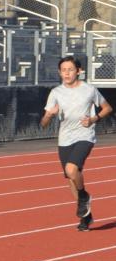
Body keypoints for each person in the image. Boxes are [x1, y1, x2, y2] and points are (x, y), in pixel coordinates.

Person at [41, 55, 112, 231]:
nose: (66, 73)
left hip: (85, 135)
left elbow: (108, 108)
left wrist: (94, 119)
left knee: (71, 169)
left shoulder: (89, 89)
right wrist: (49, 115)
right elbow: (43, 124)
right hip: (65, 139)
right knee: (72, 178)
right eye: (63, 70)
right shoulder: (56, 93)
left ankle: (83, 196)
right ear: (59, 72)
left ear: (78, 71)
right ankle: (86, 216)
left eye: (70, 69)